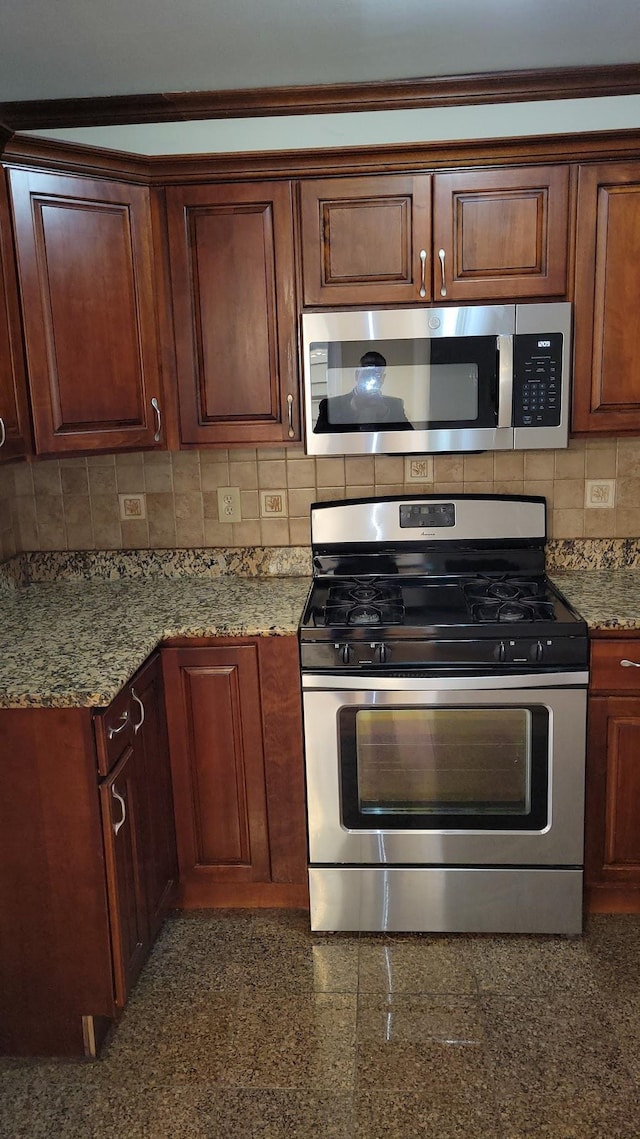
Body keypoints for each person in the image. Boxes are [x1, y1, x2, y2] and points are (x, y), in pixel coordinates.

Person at [314, 351, 412, 432]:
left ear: (383, 378)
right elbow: (320, 441)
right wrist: (353, 407)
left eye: (377, 375)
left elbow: (409, 438)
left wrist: (384, 412)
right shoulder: (330, 405)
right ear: (357, 375)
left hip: (383, 455)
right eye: (366, 374)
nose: (371, 379)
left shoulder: (395, 405)